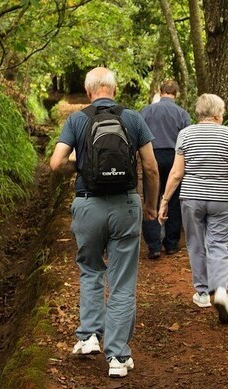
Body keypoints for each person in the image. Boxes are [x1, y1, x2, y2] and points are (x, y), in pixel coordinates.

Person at [50, 67, 159, 379]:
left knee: (91, 269)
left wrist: (81, 168)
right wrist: (149, 205)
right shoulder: (133, 118)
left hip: (88, 205)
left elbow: (56, 163)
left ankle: (87, 338)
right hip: (126, 204)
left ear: (88, 92)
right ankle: (117, 357)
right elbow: (150, 167)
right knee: (122, 282)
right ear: (115, 88)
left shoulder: (77, 119)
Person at [158, 93, 228, 324]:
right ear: (218, 114)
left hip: (191, 198)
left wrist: (164, 200)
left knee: (195, 243)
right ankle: (220, 289)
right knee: (220, 244)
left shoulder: (186, 134)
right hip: (221, 199)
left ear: (198, 114)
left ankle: (202, 293)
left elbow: (177, 172)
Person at [139, 80, 191, 259]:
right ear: (176, 93)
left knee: (150, 199)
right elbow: (187, 141)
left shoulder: (146, 111)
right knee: (174, 198)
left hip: (151, 157)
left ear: (160, 92)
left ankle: (153, 245)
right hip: (175, 157)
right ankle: (171, 243)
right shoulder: (182, 114)